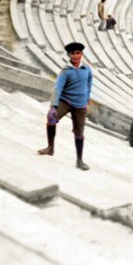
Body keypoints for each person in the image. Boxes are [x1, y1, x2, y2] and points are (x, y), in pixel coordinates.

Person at [38, 42, 93, 171]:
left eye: (78, 53)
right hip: (66, 101)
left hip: (80, 105)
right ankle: (50, 148)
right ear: (69, 55)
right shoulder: (65, 71)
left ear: (81, 54)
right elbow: (58, 88)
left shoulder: (87, 69)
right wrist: (53, 106)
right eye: (73, 53)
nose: (75, 56)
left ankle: (79, 160)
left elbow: (89, 83)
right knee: (51, 119)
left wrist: (87, 97)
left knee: (79, 133)